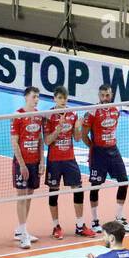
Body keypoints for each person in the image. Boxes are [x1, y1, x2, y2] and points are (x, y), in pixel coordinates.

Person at [80, 84, 129, 233]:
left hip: (113, 150)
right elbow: (84, 135)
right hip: (98, 153)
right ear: (99, 96)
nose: (105, 98)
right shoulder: (92, 112)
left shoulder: (116, 109)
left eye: (108, 95)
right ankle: (95, 221)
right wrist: (94, 147)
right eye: (102, 95)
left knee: (124, 182)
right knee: (95, 186)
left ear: (112, 95)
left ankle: (119, 217)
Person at [43, 86, 88, 240]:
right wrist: (58, 129)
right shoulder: (49, 116)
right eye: (60, 98)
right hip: (54, 160)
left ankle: (80, 226)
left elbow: (76, 138)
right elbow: (47, 141)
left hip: (69, 159)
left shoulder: (73, 113)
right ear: (54, 99)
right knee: (54, 192)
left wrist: (77, 127)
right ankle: (56, 226)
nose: (63, 101)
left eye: (65, 98)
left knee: (78, 189)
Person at [11, 86, 44, 247]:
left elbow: (40, 140)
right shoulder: (18, 116)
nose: (36, 99)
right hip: (21, 163)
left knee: (29, 194)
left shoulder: (38, 115)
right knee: (21, 195)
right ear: (26, 97)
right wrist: (22, 165)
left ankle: (21, 229)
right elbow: (14, 142)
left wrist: (42, 161)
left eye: (37, 97)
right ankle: (23, 234)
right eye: (33, 96)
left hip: (34, 162)